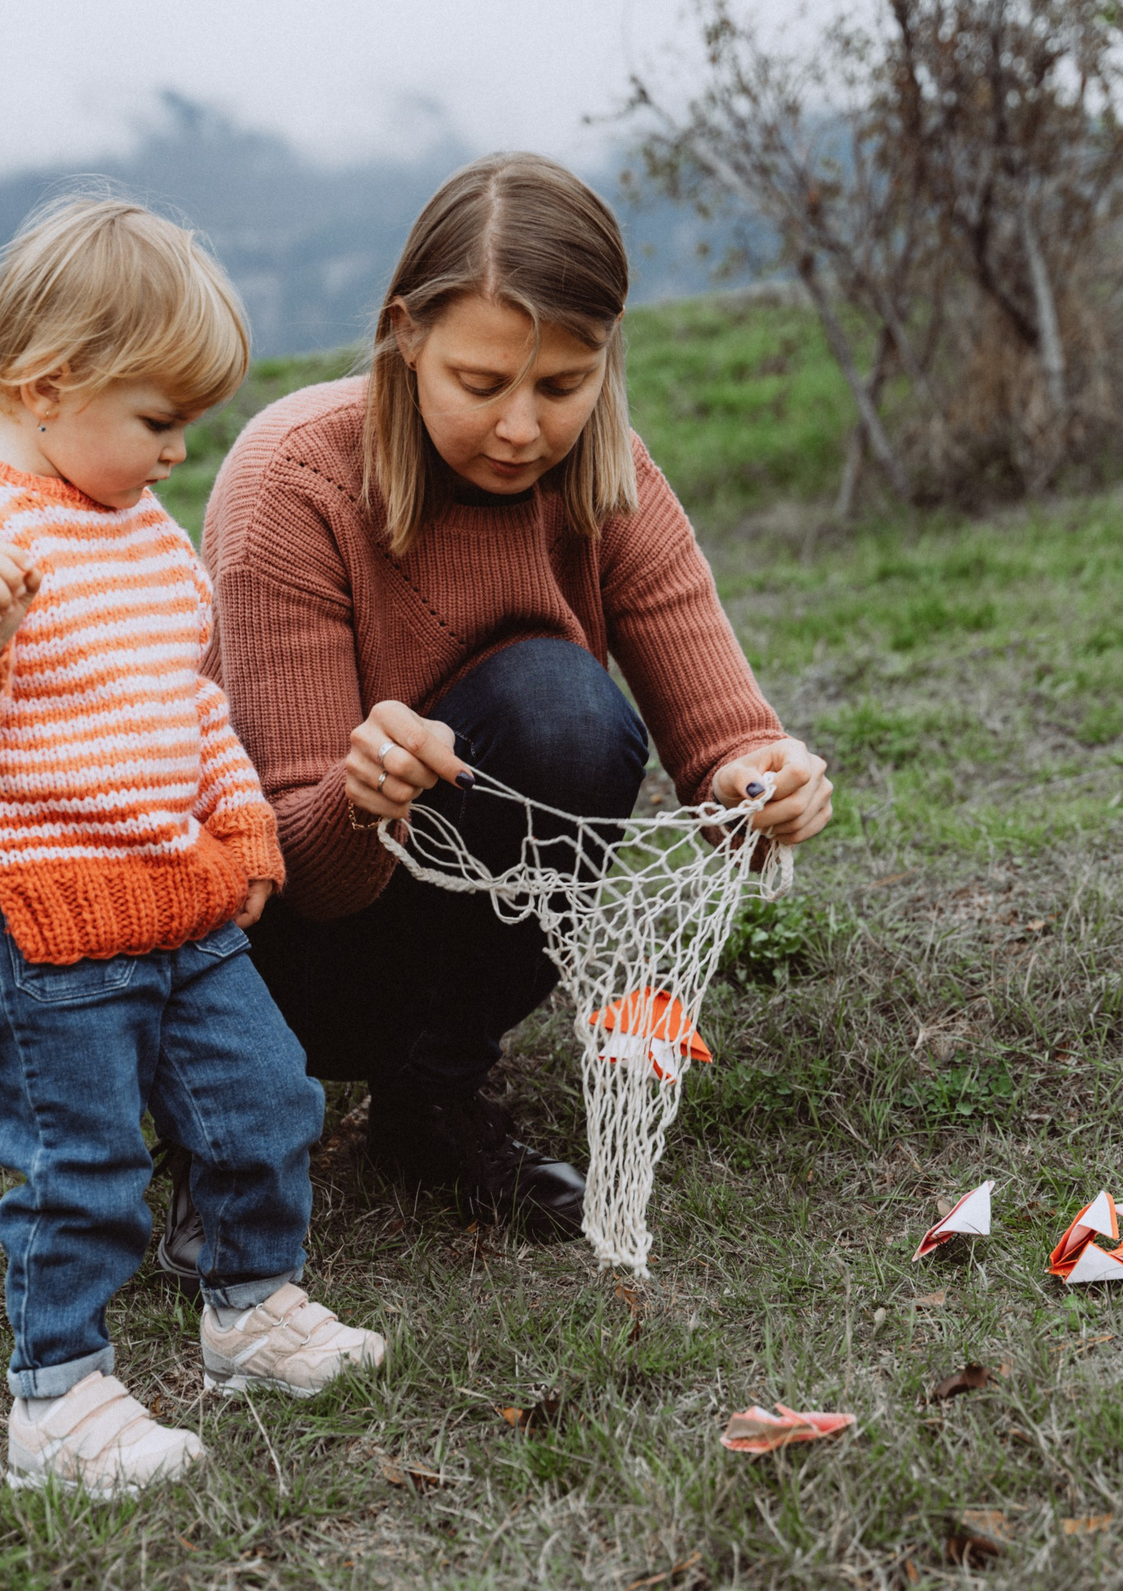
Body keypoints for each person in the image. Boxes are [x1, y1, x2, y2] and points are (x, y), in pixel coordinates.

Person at [194, 153, 834, 1246]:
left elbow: (726, 736)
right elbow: (292, 865)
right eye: (480, 384)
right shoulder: (292, 479)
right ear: (405, 333)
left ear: (607, 355)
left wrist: (764, 786)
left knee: (563, 707)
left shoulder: (606, 473)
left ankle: (428, 1098)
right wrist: (360, 794)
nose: (522, 430)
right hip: (271, 958)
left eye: (562, 385)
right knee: (545, 704)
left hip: (451, 926)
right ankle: (203, 1098)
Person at [0, 197, 384, 1499]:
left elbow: (189, 699)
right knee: (77, 1159)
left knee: (265, 1098)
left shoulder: (143, 535)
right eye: (157, 420)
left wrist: (243, 818)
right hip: (36, 920)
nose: (178, 449)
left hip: (181, 902)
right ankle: (58, 1393)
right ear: (46, 385)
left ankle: (252, 1308)